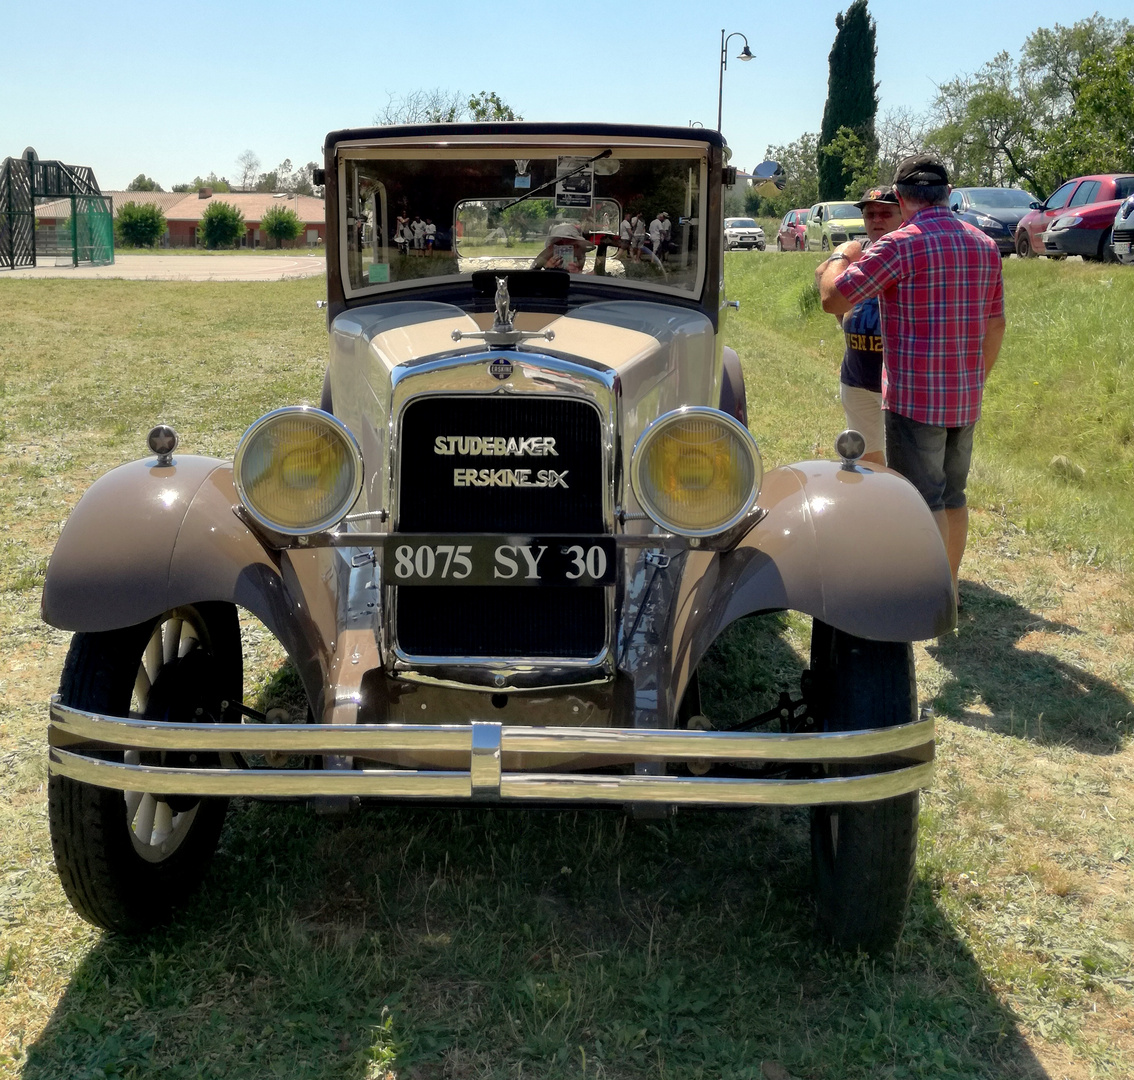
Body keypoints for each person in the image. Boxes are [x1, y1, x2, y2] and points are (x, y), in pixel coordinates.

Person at [816, 154, 1007, 609]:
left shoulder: (900, 245)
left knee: (922, 500)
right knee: (953, 494)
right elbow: (996, 324)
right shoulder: (984, 244)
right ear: (948, 191)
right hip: (964, 394)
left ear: (901, 198)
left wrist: (842, 254)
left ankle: (929, 597)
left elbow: (832, 299)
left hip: (914, 397)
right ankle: (951, 586)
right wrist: (975, 379)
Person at [828, 187, 904, 466]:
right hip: (856, 378)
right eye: (870, 214)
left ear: (902, 214)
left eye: (886, 213)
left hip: (896, 384)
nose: (877, 220)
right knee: (868, 461)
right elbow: (824, 277)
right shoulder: (858, 252)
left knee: (903, 465)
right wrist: (844, 321)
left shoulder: (907, 249)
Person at [531, 220, 595, 273]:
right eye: (559, 245)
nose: (565, 248)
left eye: (571, 245)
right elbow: (530, 274)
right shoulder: (548, 265)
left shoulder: (584, 272)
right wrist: (549, 270)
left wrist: (577, 273)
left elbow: (598, 274)